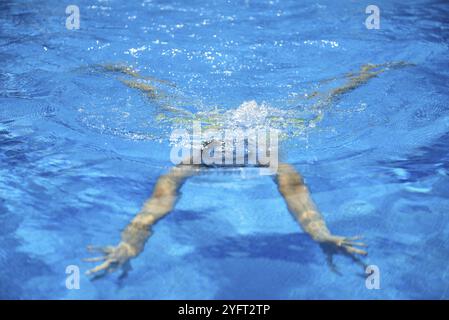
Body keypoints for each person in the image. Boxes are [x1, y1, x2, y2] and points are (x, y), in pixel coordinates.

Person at [85, 62, 411, 275]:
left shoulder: (270, 152)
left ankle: (365, 73)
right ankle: (128, 74)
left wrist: (319, 233)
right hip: (214, 125)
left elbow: (296, 193)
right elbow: (160, 199)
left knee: (323, 103)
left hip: (265, 126)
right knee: (163, 103)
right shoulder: (203, 150)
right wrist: (130, 244)